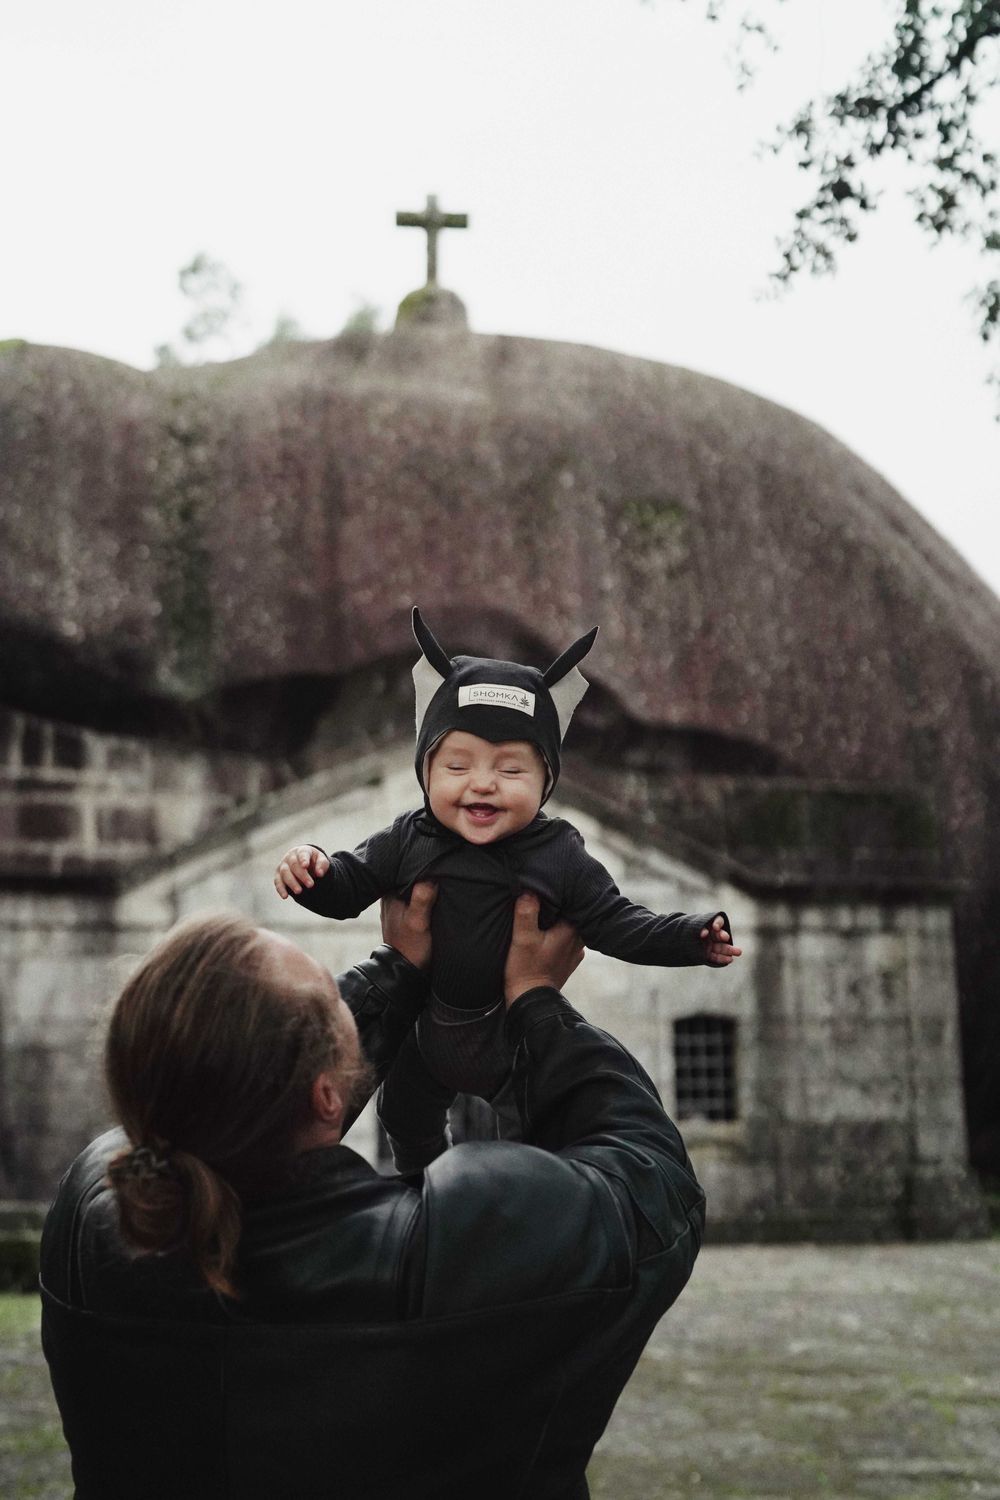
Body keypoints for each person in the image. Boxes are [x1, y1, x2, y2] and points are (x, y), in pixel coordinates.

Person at [41, 885, 707, 1500]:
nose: (343, 1004)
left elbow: (230, 1086)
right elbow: (652, 1178)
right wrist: (534, 999)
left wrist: (401, 971)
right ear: (327, 1094)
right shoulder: (447, 1252)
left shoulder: (91, 1215)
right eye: (333, 1002)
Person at [276, 606, 741, 1169]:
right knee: (402, 1115)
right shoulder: (408, 837)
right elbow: (349, 886)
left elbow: (616, 921)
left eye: (511, 770)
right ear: (425, 772)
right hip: (428, 1027)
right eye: (457, 766)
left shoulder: (559, 853)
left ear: (546, 783)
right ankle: (425, 1187)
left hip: (510, 1035)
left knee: (529, 1138)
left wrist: (690, 937)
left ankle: (512, 1204)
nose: (482, 784)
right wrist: (313, 872)